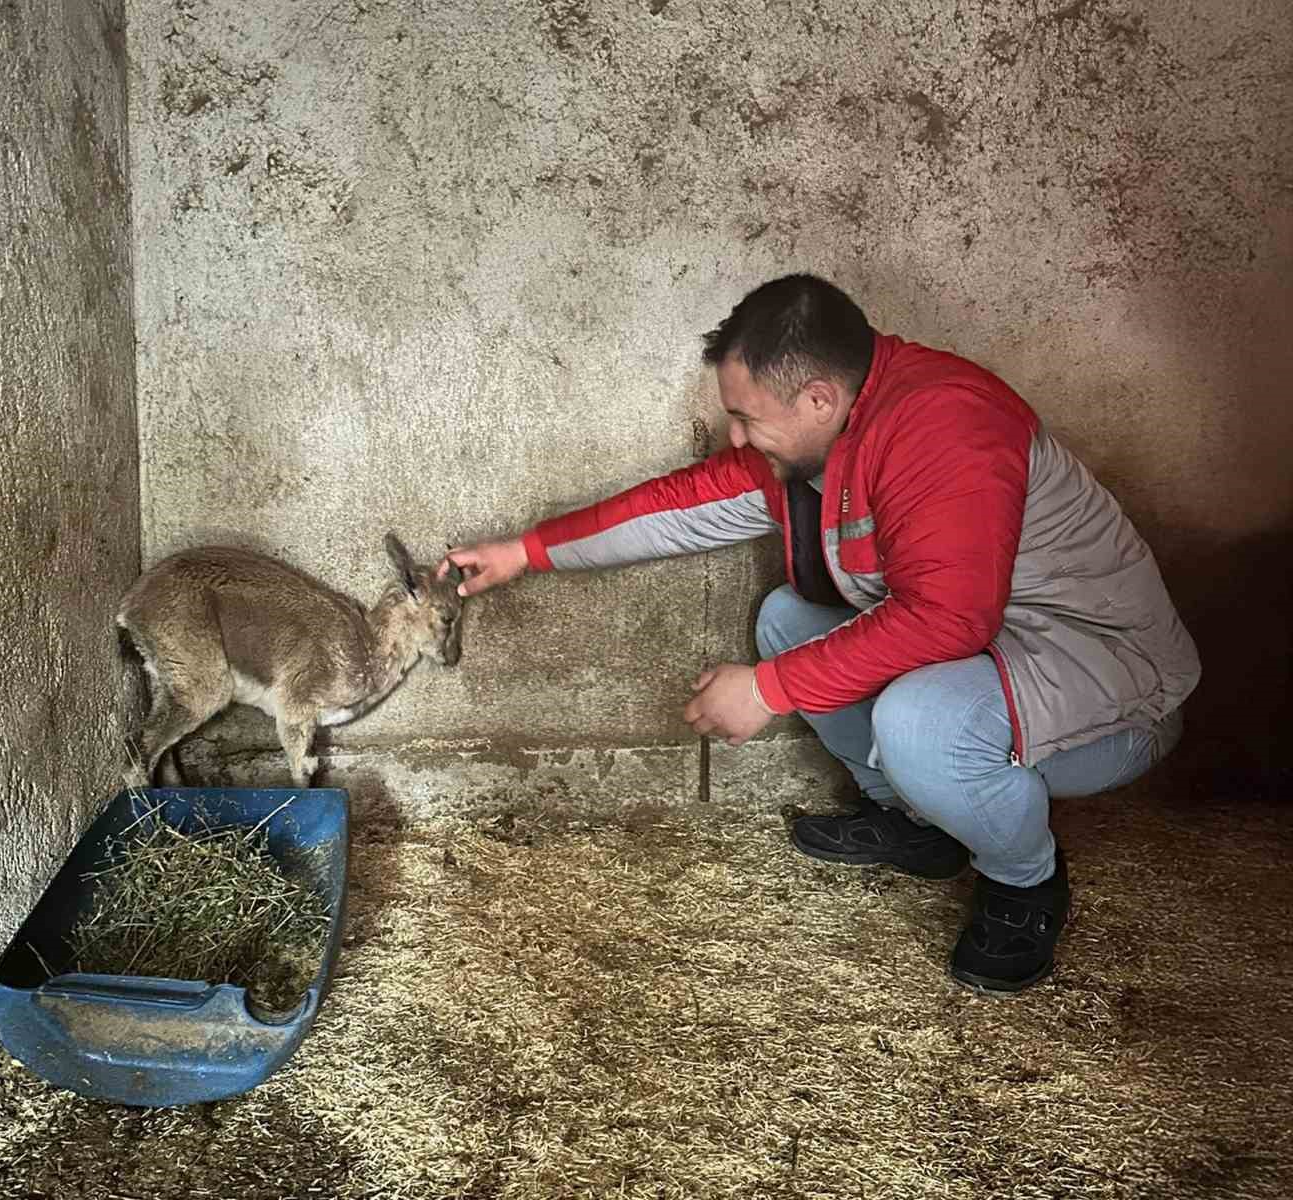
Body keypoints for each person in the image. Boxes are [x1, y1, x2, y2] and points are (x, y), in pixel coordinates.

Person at [437, 273, 1200, 995]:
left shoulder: (945, 421)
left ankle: (1024, 882)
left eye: (746, 418)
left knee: (919, 721)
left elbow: (948, 617)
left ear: (818, 396)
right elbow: (683, 505)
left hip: (1112, 695)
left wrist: (770, 690)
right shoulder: (824, 438)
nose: (736, 438)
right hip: (992, 664)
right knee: (786, 619)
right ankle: (916, 827)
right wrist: (524, 552)